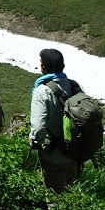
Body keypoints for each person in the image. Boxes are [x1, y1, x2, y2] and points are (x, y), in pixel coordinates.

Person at [28, 48, 80, 194]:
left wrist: (34, 141)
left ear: (44, 66)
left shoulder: (42, 91)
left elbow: (38, 128)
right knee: (69, 195)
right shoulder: (74, 85)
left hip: (54, 155)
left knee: (54, 198)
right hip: (75, 152)